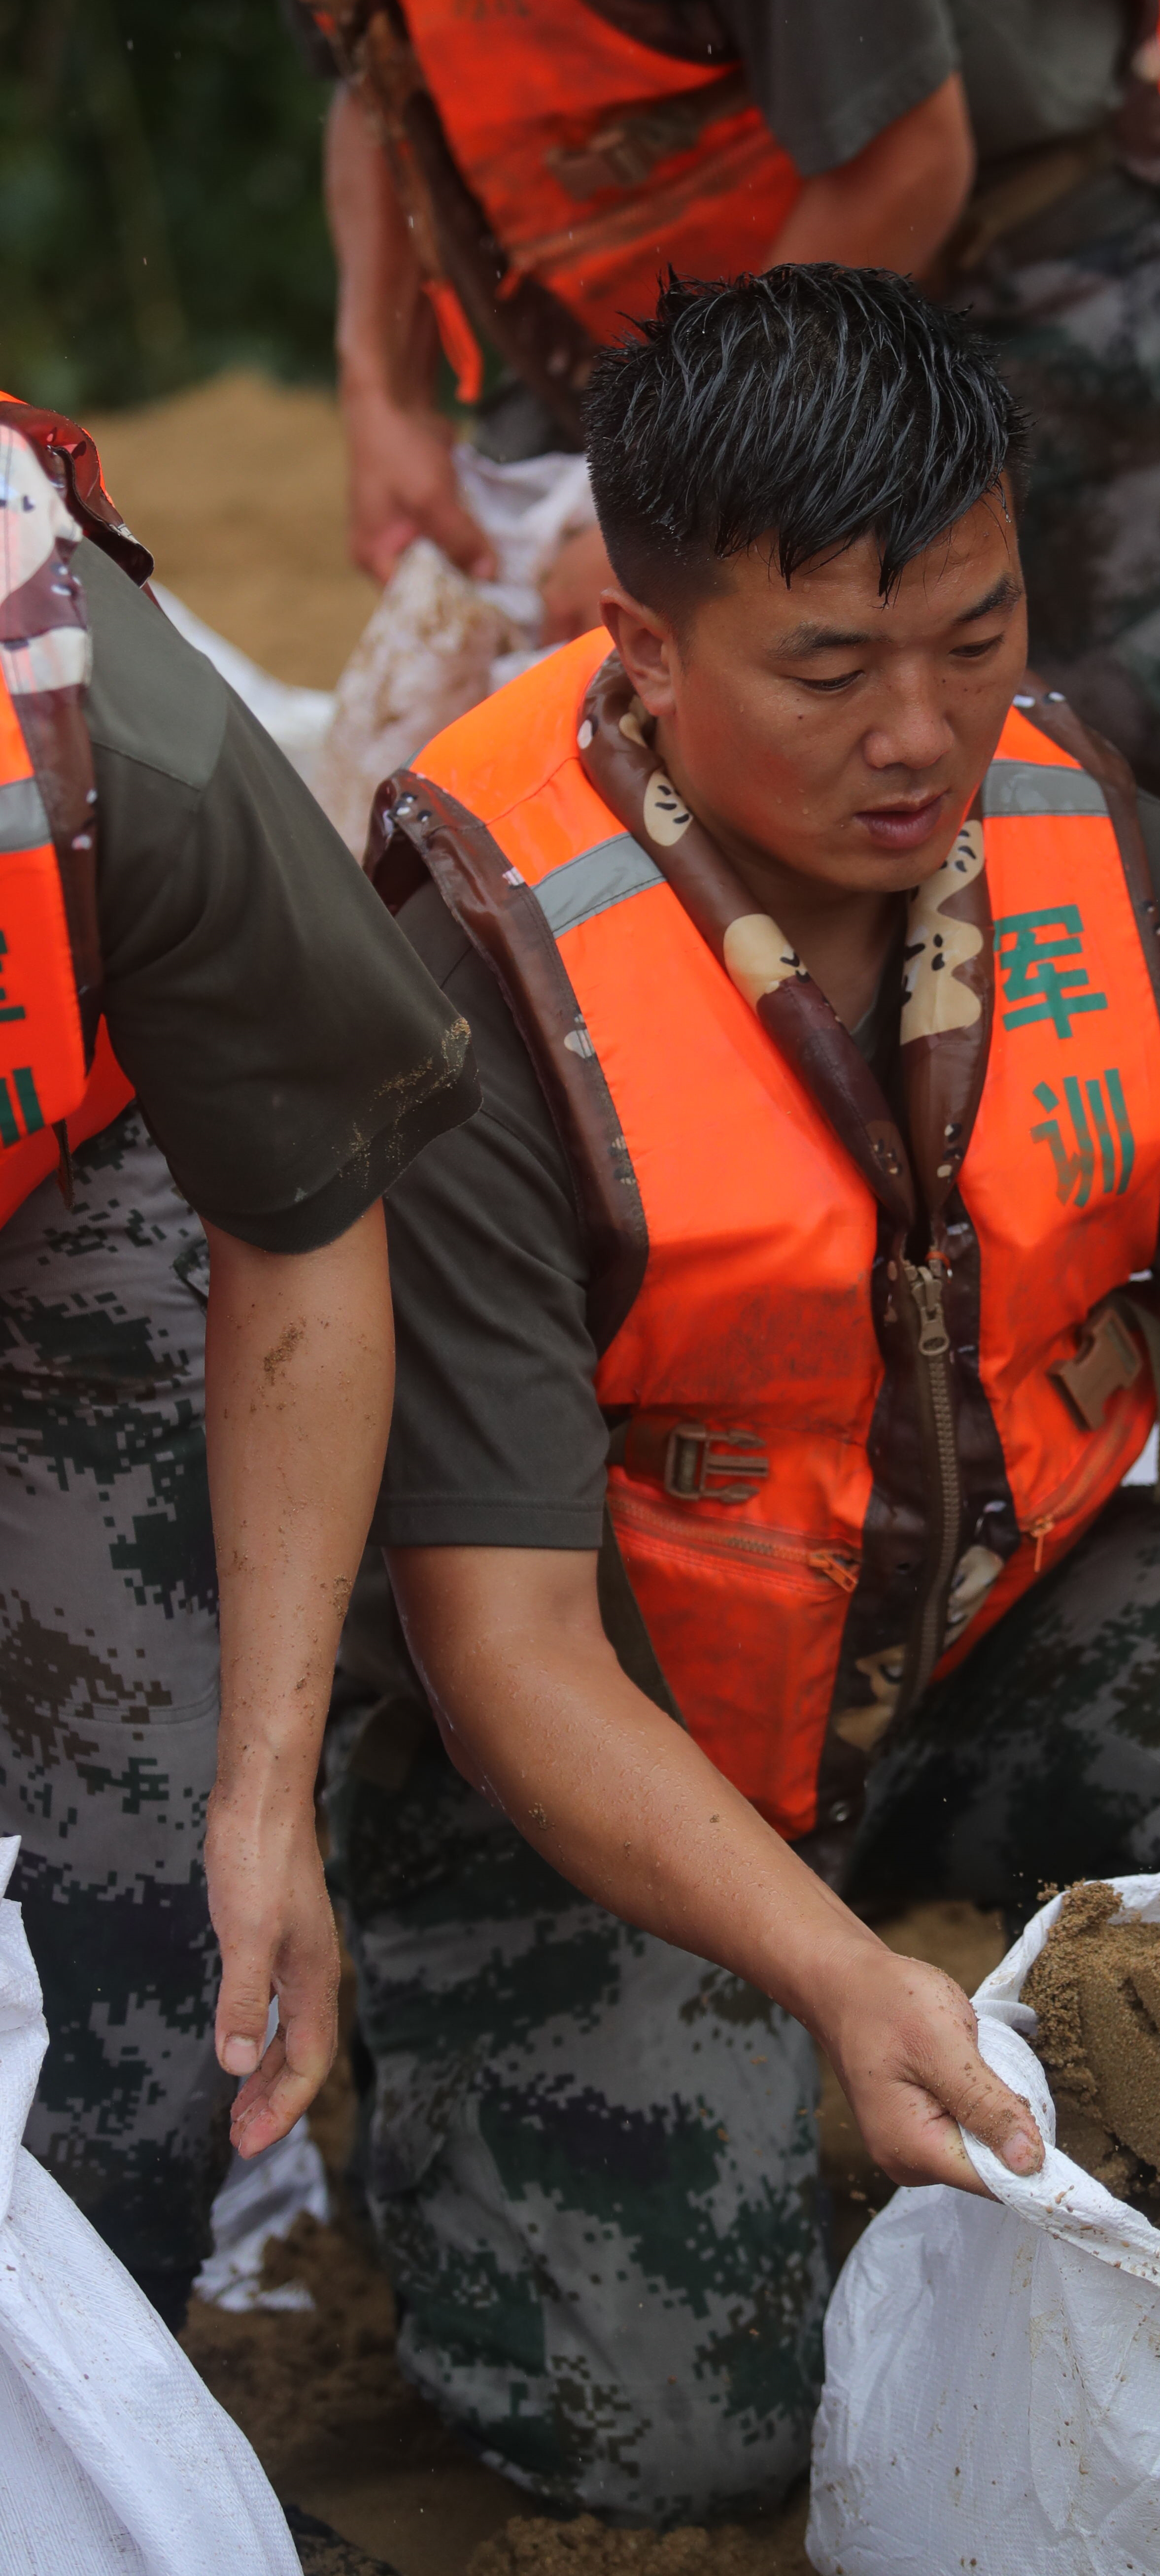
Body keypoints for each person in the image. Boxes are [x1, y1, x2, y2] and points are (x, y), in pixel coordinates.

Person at [320, 267, 1160, 2525]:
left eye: (974, 634)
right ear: (643, 645)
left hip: (965, 1636)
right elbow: (505, 1657)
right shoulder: (469, 988)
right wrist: (841, 1988)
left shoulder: (1121, 877)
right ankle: (458, 2117)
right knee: (685, 2433)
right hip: (606, 1747)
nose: (921, 732)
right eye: (828, 670)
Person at [230, 0, 1160, 1677]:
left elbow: (902, 149)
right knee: (618, 914)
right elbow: (374, 54)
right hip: (658, 344)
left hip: (1039, 262)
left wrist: (726, 505)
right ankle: (736, 1554)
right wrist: (384, 374)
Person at [0, 397, 478, 2324]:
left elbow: (300, 1235)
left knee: (152, 1976)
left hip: (60, 1176)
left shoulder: (113, 736)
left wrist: (255, 1795)